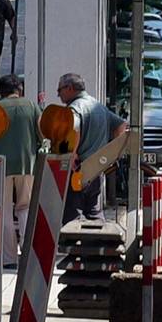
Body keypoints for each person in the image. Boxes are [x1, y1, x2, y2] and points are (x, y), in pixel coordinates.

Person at [58, 71, 128, 222]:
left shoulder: (74, 108)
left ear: (69, 88)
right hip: (96, 167)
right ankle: (99, 240)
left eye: (60, 90)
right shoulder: (99, 107)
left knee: (73, 214)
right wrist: (111, 152)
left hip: (78, 169)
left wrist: (73, 154)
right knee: (93, 211)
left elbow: (74, 129)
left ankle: (73, 244)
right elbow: (121, 125)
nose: (59, 95)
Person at [0, 74, 43, 256]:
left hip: (0, 164)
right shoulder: (32, 106)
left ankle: (9, 255)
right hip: (27, 163)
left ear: (1, 92)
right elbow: (42, 135)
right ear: (19, 89)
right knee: (25, 206)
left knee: (4, 208)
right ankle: (27, 251)